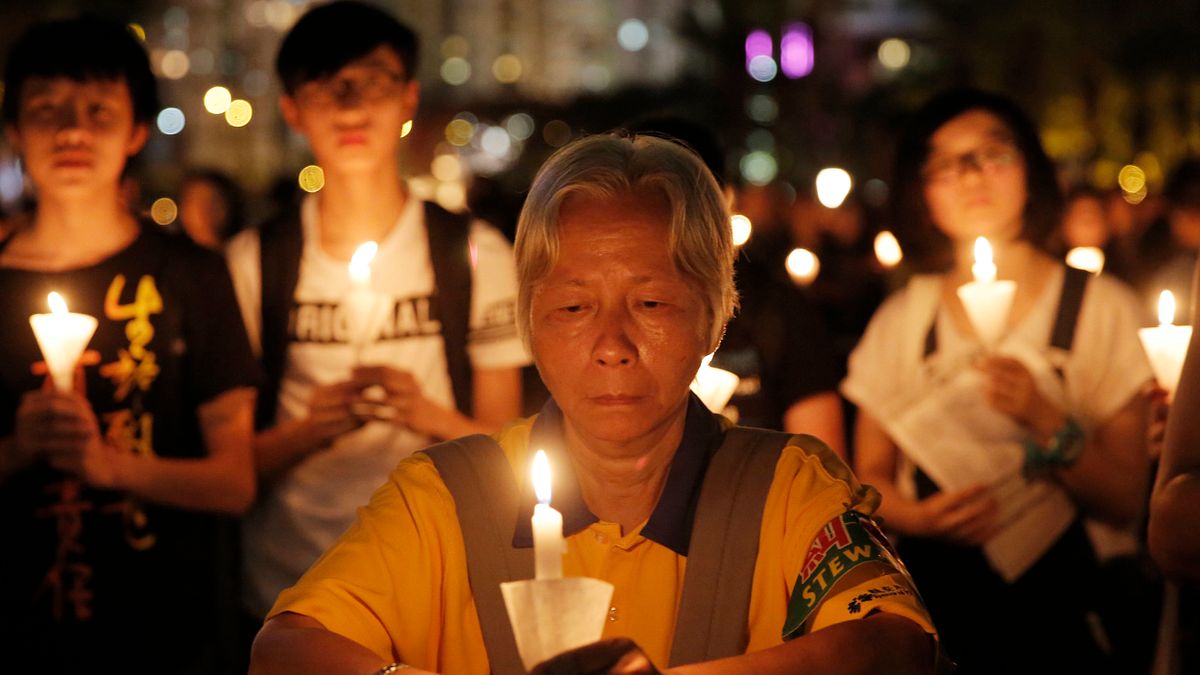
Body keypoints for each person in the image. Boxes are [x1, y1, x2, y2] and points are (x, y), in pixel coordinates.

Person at [248, 133, 937, 675]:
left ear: (715, 319)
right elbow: (284, 649)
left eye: (652, 303)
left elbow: (896, 646)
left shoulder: (787, 485)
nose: (612, 343)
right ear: (527, 322)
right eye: (574, 305)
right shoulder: (443, 497)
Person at [225, 0, 530, 623]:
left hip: (444, 585)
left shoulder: (476, 254)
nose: (351, 104)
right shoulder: (254, 262)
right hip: (291, 592)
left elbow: (507, 451)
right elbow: (226, 469)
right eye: (324, 84)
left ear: (408, 98)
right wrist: (308, 431)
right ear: (291, 108)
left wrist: (425, 414)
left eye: (374, 81)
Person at [843, 88, 1152, 674]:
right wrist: (918, 518)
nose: (971, 176)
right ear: (921, 193)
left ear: (1031, 170)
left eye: (991, 154)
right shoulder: (904, 319)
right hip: (944, 613)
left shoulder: (1101, 310)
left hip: (1071, 620)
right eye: (946, 164)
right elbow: (867, 477)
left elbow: (1123, 499)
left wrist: (1046, 419)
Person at [0, 16, 258, 673]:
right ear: (14, 130)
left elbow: (234, 481)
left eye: (97, 110)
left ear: (137, 130)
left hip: (165, 634)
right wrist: (17, 450)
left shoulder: (191, 275)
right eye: (46, 109)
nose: (72, 132)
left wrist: (112, 467)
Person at [625, 114, 845, 452]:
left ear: (724, 200)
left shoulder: (779, 312)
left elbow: (824, 467)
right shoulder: (606, 319)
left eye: (685, 198)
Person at [179, 168, 245, 250]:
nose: (203, 212)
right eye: (195, 201)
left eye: (212, 201)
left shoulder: (247, 252)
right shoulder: (173, 256)